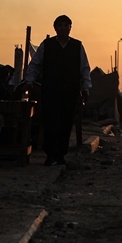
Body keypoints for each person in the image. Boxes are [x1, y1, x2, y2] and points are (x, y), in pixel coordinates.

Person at [25, 15, 92, 166]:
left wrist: (86, 88)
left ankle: (61, 155)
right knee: (50, 122)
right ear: (55, 28)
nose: (63, 28)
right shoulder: (47, 45)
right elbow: (35, 64)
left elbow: (84, 69)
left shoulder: (77, 46)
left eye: (66, 25)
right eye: (60, 25)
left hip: (70, 91)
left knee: (66, 123)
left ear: (70, 28)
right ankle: (50, 155)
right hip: (50, 90)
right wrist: (29, 81)